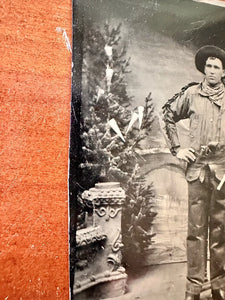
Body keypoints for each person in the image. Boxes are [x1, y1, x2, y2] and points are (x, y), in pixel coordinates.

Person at [162, 45, 225, 300]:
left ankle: (219, 286)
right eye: (208, 66)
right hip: (197, 170)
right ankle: (194, 289)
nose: (211, 71)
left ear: (223, 71)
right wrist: (177, 149)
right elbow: (167, 114)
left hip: (223, 171)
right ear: (204, 68)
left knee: (221, 229)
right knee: (196, 230)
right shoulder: (190, 94)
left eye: (216, 67)